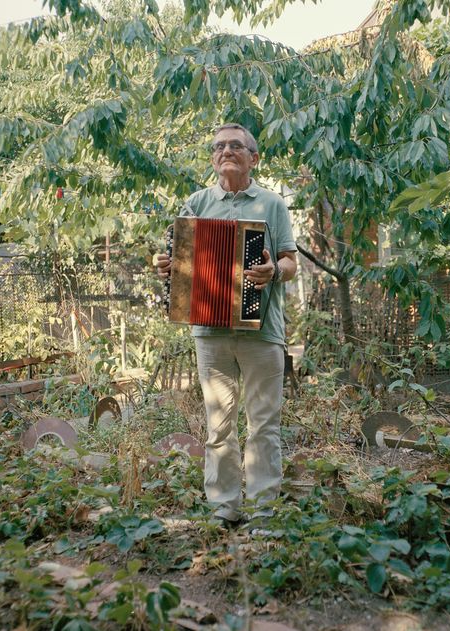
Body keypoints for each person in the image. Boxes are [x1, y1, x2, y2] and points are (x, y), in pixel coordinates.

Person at [156, 122, 297, 525]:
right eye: (219, 146)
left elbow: (290, 261)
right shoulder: (197, 203)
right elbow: (177, 263)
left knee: (264, 425)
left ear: (254, 157)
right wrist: (165, 266)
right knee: (218, 428)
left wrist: (274, 271)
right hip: (209, 330)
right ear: (213, 157)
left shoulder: (272, 205)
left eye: (236, 145)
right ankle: (224, 510)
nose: (227, 151)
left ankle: (264, 511)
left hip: (262, 329)